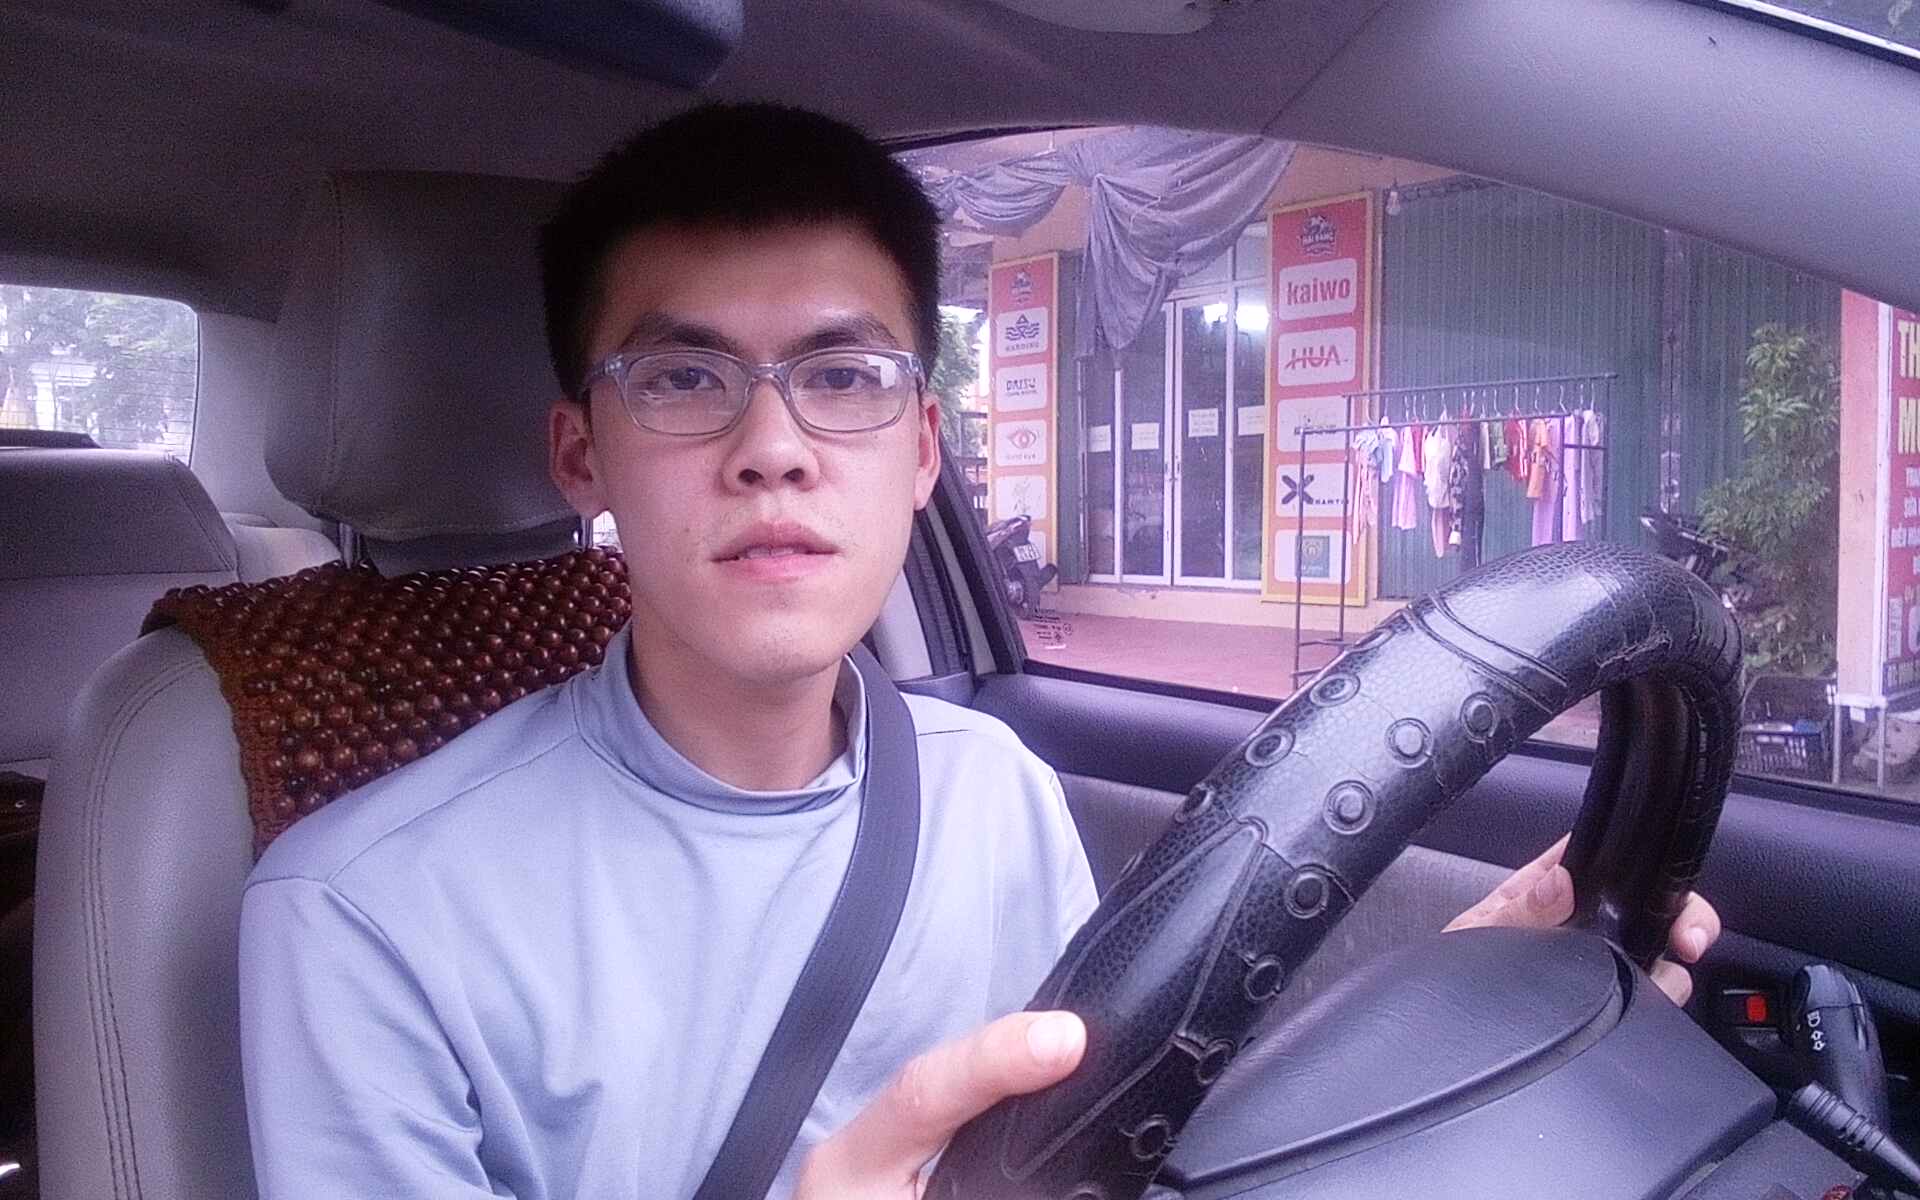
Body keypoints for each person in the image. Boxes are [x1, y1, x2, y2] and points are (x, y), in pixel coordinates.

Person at [236, 103, 1721, 1200]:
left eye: (844, 375)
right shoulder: (361, 916)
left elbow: (1101, 1148)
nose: (773, 447)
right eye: (684, 378)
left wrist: (1457, 1005)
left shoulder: (988, 785)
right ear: (584, 456)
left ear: (924, 449)